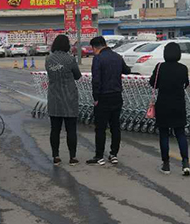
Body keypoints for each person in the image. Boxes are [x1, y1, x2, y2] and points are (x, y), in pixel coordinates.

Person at [87, 36, 130, 166]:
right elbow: (127, 70)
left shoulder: (98, 58)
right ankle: (113, 154)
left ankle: (99, 156)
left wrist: (96, 98)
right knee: (115, 127)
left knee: (100, 128)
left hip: (103, 97)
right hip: (117, 96)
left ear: (95, 47)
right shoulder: (117, 56)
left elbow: (96, 80)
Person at [149, 42, 190, 176]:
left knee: (164, 135)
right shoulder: (183, 68)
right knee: (180, 134)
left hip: (163, 105)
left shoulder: (160, 67)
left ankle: (166, 165)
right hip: (178, 104)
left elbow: (153, 84)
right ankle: (185, 163)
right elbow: (186, 84)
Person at [46, 35, 82, 166]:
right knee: (71, 129)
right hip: (69, 98)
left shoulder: (48, 59)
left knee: (54, 129)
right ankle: (72, 157)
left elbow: (51, 74)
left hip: (54, 97)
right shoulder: (70, 59)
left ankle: (56, 156)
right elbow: (77, 76)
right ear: (67, 45)